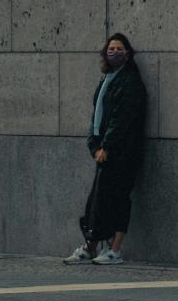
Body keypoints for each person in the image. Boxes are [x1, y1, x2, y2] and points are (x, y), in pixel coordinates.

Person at [63, 33, 148, 265]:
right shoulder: (107, 80)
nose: (114, 52)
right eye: (111, 48)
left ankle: (115, 249)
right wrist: (95, 144)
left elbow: (121, 119)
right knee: (98, 200)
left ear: (127, 53)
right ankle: (91, 246)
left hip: (123, 152)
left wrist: (107, 145)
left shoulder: (130, 82)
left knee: (119, 199)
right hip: (105, 151)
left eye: (119, 48)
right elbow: (97, 116)